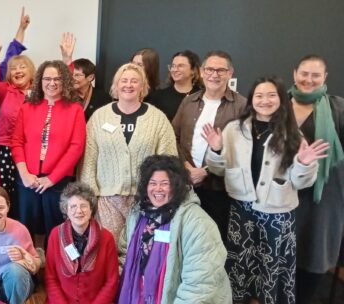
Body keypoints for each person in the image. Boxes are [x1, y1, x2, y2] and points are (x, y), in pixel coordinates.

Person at [203, 76, 329, 304]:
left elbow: (300, 181)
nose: (265, 101)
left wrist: (305, 164)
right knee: (238, 262)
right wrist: (215, 149)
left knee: (269, 266)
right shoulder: (234, 129)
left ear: (281, 99)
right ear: (251, 99)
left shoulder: (293, 134)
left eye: (271, 95)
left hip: (278, 212)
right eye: (259, 95)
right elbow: (217, 169)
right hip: (242, 208)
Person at [117, 155, 231, 304]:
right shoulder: (138, 214)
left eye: (164, 183)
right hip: (148, 298)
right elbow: (124, 251)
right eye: (152, 183)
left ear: (176, 186)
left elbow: (203, 272)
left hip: (182, 298)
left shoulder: (195, 220)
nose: (157, 189)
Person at [270, 54, 344, 304]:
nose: (308, 79)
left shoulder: (337, 109)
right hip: (284, 189)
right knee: (283, 250)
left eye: (315, 75)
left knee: (314, 249)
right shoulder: (279, 106)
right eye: (304, 73)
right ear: (294, 73)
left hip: (323, 195)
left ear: (325, 77)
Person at [79, 63, 177, 258]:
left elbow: (169, 160)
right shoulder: (100, 117)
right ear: (116, 85)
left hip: (145, 198)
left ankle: (135, 288)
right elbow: (88, 160)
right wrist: (90, 197)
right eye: (124, 81)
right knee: (107, 251)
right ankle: (112, 288)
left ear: (143, 86)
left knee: (142, 251)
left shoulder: (157, 119)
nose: (128, 85)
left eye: (134, 81)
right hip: (107, 198)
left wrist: (161, 195)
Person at [171, 50, 247, 242]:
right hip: (185, 182)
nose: (215, 74)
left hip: (219, 187)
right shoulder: (189, 101)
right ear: (202, 72)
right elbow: (174, 136)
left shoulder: (241, 105)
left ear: (230, 73)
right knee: (184, 237)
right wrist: (186, 167)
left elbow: (243, 149)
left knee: (215, 239)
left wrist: (205, 171)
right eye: (210, 69)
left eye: (221, 70)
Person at [11, 60, 86, 247]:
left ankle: (55, 273)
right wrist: (25, 174)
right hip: (27, 179)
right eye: (47, 78)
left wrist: (52, 178)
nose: (52, 83)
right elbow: (17, 142)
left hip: (57, 181)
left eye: (57, 79)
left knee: (57, 232)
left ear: (65, 81)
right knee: (25, 229)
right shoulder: (26, 107)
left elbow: (76, 147)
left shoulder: (75, 110)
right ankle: (27, 273)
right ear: (40, 81)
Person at [40, 182, 118, 304]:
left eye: (84, 205)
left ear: (91, 209)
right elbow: (50, 277)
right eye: (73, 206)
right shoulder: (55, 235)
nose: (78, 211)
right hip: (64, 302)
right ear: (66, 211)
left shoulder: (106, 238)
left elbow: (112, 281)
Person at [0, 31, 35, 213]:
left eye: (22, 67)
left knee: (27, 196)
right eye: (13, 68)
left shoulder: (40, 93)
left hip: (30, 151)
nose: (18, 71)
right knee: (4, 195)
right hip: (4, 150)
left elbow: (60, 88)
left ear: (31, 71)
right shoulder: (6, 91)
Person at [59, 32, 112, 122]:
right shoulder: (67, 95)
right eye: (71, 74)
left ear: (90, 77)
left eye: (77, 75)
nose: (73, 78)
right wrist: (67, 59)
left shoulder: (103, 97)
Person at [147, 50, 202, 121]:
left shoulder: (202, 96)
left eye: (180, 66)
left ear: (193, 70)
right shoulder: (158, 97)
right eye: (173, 66)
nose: (175, 69)